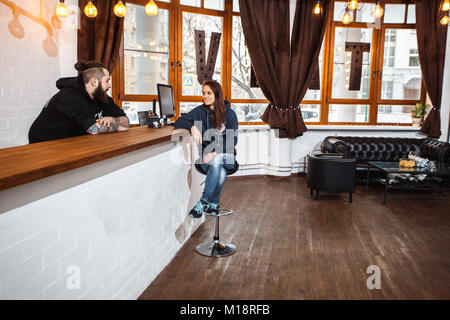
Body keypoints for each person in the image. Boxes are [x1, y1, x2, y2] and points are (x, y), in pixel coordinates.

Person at [174, 80, 239, 218]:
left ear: (217, 94)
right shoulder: (199, 112)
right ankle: (213, 203)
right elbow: (178, 121)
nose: (205, 96)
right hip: (208, 159)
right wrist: (191, 127)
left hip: (227, 156)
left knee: (216, 160)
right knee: (220, 174)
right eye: (203, 93)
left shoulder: (230, 114)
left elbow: (231, 141)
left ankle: (203, 201)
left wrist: (214, 153)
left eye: (209, 93)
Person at [28, 60, 130, 143]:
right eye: (107, 80)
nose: (109, 85)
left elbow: (126, 122)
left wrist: (112, 120)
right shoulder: (70, 96)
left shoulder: (101, 97)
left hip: (69, 143)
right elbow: (94, 129)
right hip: (44, 143)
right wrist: (117, 125)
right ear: (94, 81)